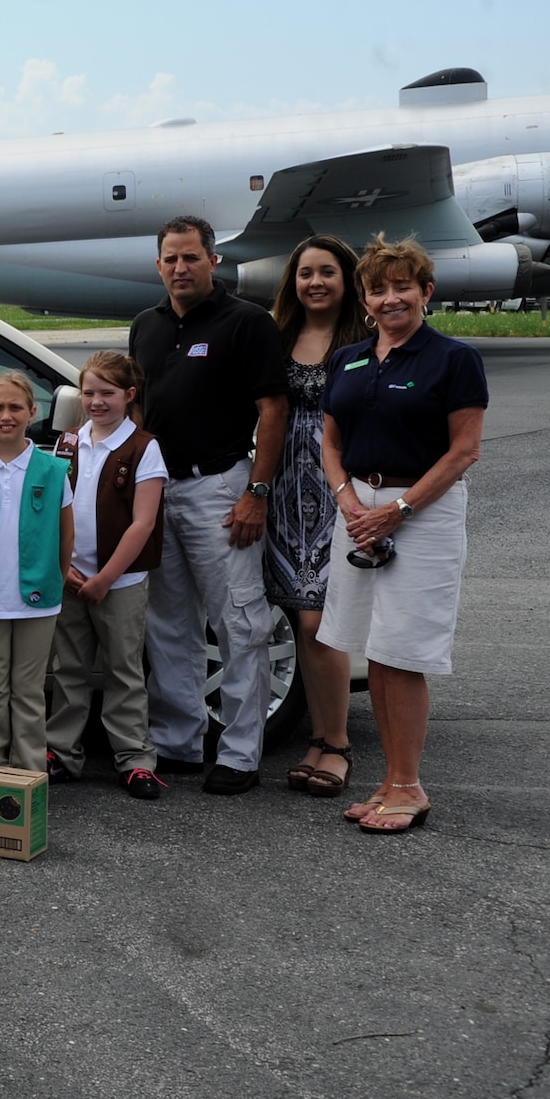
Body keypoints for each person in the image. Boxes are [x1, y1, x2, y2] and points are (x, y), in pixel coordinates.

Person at [319, 238, 486, 835]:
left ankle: (410, 785)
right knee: (374, 648)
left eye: (402, 287)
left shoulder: (453, 359)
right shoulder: (351, 359)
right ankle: (390, 780)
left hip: (422, 510)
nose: (390, 298)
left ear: (425, 292)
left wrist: (399, 510)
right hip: (357, 509)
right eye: (378, 289)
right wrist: (347, 499)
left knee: (404, 651)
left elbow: (464, 449)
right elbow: (330, 440)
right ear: (364, 300)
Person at [129, 214, 289, 795]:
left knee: (239, 622)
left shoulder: (246, 323)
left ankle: (241, 753)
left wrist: (257, 492)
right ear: (158, 264)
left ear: (212, 261)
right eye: (170, 258)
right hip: (158, 490)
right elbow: (139, 411)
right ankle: (179, 741)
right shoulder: (145, 326)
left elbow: (273, 409)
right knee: (169, 623)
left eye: (191, 257)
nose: (180, 268)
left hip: (220, 487)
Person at [264, 236, 365, 795]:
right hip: (280, 488)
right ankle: (319, 737)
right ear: (293, 282)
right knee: (299, 618)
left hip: (338, 488)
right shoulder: (277, 336)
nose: (316, 282)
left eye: (327, 272)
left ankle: (337, 743)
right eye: (305, 273)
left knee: (319, 621)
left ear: (346, 279)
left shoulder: (366, 339)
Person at [44, 353, 168, 798]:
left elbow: (143, 523)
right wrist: (68, 568)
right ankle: (60, 750)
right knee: (69, 667)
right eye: (89, 393)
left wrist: (105, 577)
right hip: (72, 576)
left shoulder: (143, 447)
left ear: (129, 396)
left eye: (107, 394)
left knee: (123, 669)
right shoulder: (69, 442)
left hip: (120, 581)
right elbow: (55, 509)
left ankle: (134, 757)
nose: (97, 402)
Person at [0, 371, 74, 772]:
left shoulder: (53, 470)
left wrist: (53, 580)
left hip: (37, 596)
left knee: (28, 690)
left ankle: (29, 776)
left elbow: (65, 536)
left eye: (15, 407)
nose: (6, 416)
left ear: (32, 411)